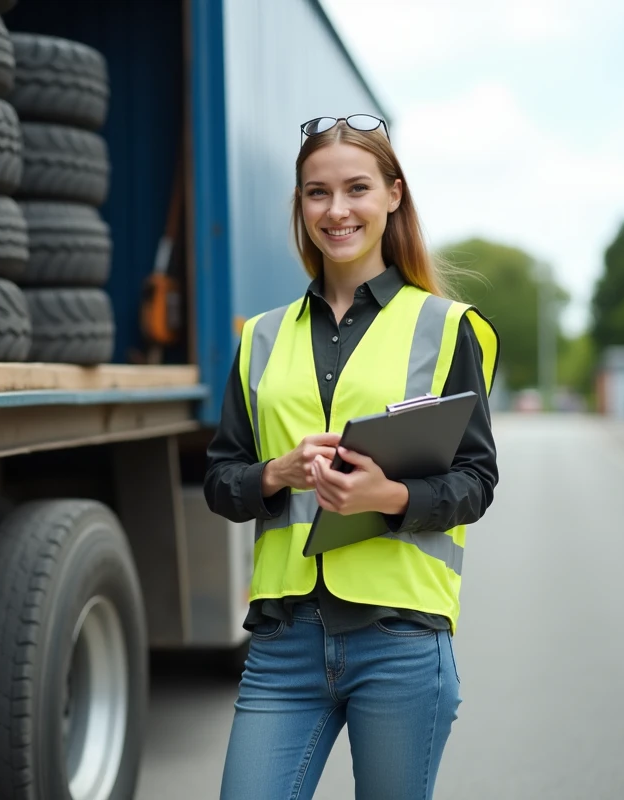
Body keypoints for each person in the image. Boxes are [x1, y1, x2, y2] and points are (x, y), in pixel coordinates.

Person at [204, 114, 500, 800]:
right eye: (317, 193)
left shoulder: (447, 328)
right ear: (300, 205)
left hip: (400, 640)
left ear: (393, 195)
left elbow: (476, 483)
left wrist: (387, 497)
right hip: (283, 643)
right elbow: (221, 481)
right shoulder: (261, 338)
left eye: (356, 188)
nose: (336, 210)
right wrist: (274, 473)